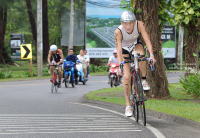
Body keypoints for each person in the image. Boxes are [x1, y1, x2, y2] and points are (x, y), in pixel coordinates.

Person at [114, 11, 156, 117]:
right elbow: (118, 51)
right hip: (124, 48)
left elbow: (147, 40)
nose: (128, 26)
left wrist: (151, 55)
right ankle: (128, 105)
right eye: (125, 23)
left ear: (134, 22)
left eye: (130, 23)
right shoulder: (118, 31)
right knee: (127, 77)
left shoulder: (140, 24)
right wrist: (120, 65)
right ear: (122, 23)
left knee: (141, 53)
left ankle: (143, 80)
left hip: (135, 44)